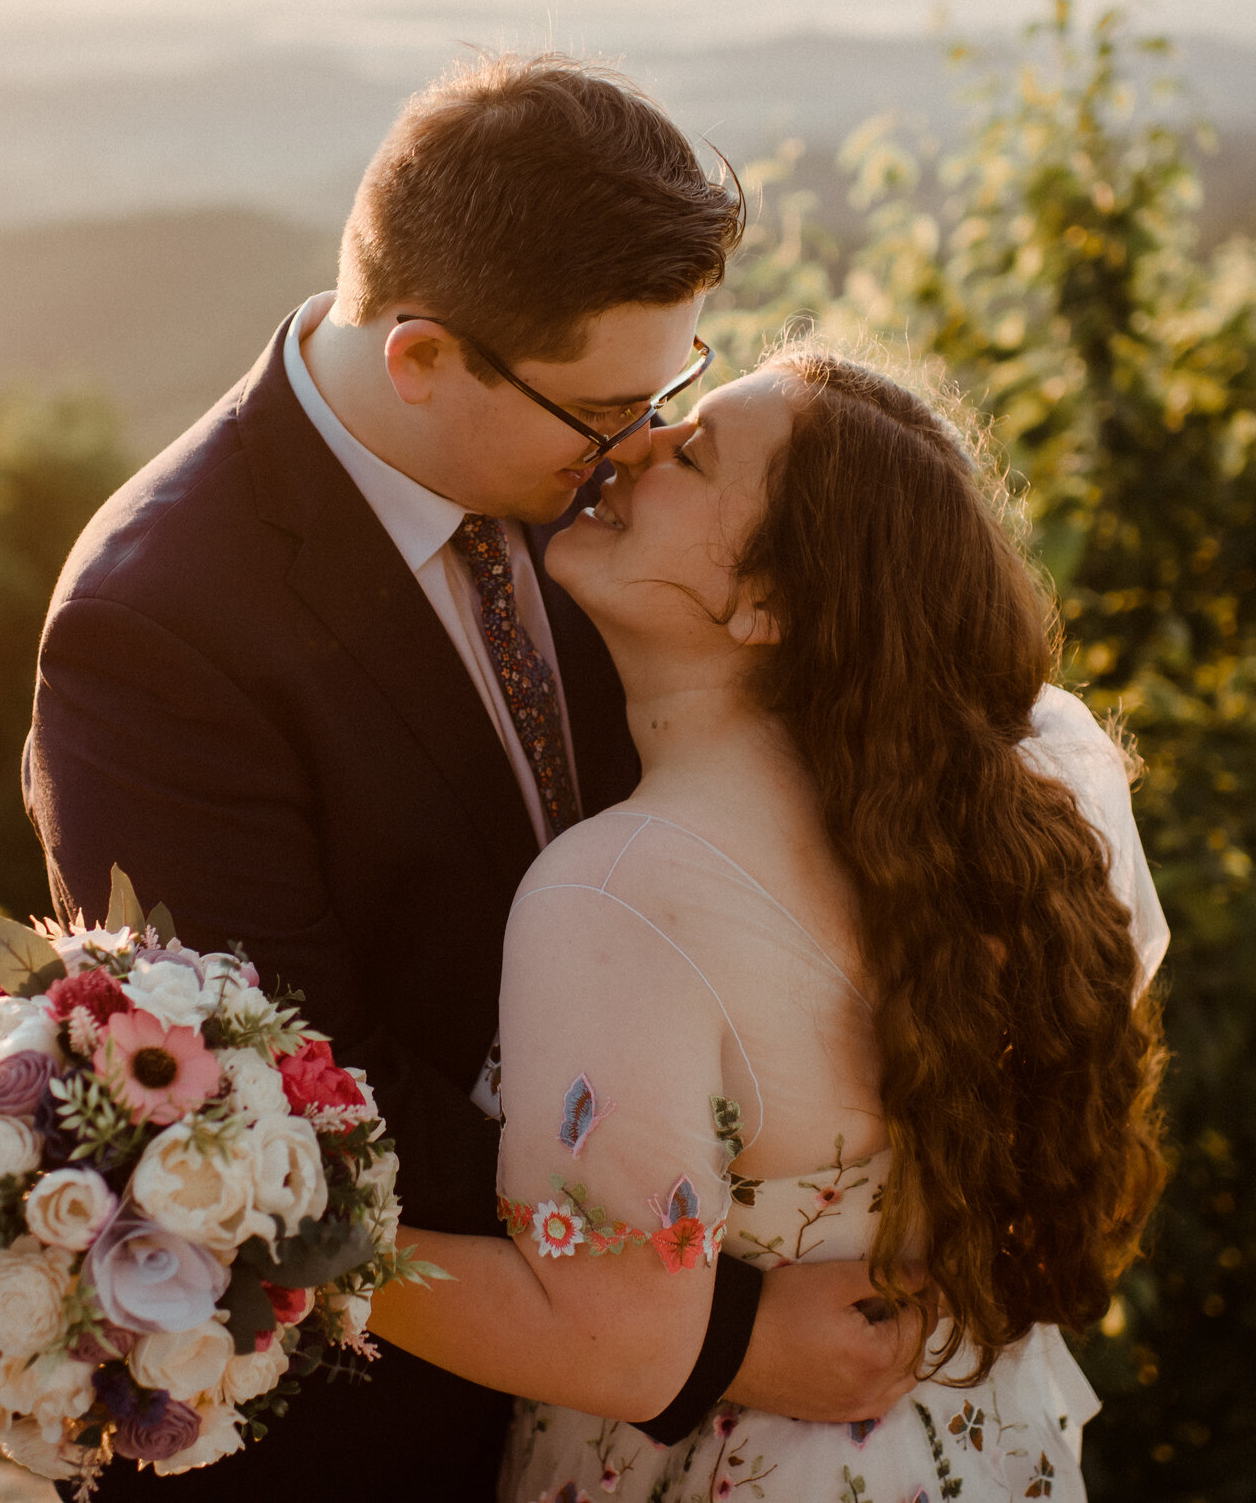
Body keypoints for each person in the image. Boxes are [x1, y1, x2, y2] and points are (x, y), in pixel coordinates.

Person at [24, 57, 925, 1503]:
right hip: (374, 1428)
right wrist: (712, 1319)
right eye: (602, 409)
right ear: (423, 358)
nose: (641, 448)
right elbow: (297, 1082)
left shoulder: (598, 506)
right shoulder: (161, 623)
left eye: (669, 388)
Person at [368, 348, 1172, 1503]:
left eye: (688, 452)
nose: (631, 442)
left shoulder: (616, 892)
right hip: (958, 1452)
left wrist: (275, 1244)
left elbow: (614, 1343)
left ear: (767, 604)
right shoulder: (969, 835)